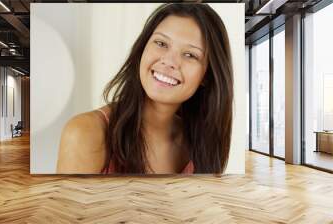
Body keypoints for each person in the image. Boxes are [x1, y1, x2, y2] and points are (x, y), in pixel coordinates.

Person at [57, 3, 233, 174]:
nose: (169, 61)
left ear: (207, 76)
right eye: (161, 43)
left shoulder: (202, 141)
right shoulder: (85, 133)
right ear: (142, 49)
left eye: (190, 55)